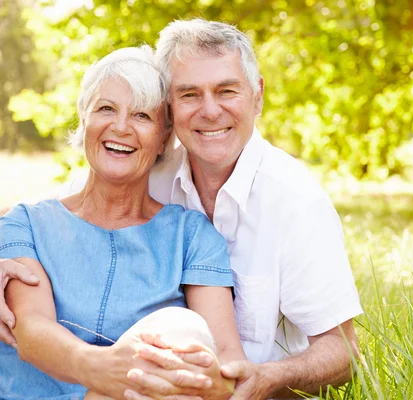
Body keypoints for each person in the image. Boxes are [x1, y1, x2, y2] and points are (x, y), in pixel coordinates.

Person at [0, 18, 363, 400]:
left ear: (257, 95)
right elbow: (55, 217)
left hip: (201, 387)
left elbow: (343, 351)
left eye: (226, 91)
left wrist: (264, 377)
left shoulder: (290, 204)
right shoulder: (48, 212)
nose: (210, 111)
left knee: (178, 329)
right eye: (189, 94)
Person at [0, 45, 245, 399]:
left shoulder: (191, 236)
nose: (120, 127)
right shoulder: (24, 224)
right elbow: (31, 331)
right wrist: (108, 369)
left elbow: (227, 363)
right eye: (106, 109)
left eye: (142, 116)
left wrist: (191, 374)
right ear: (84, 120)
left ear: (164, 139)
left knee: (182, 327)